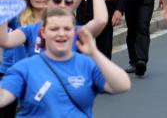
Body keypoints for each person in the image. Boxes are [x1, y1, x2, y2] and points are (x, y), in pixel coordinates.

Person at [0, 8, 131, 116]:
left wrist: (94, 53)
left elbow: (123, 85)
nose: (61, 34)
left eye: (67, 29)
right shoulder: (25, 68)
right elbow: (3, 97)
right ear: (43, 32)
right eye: (54, 29)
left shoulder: (86, 65)